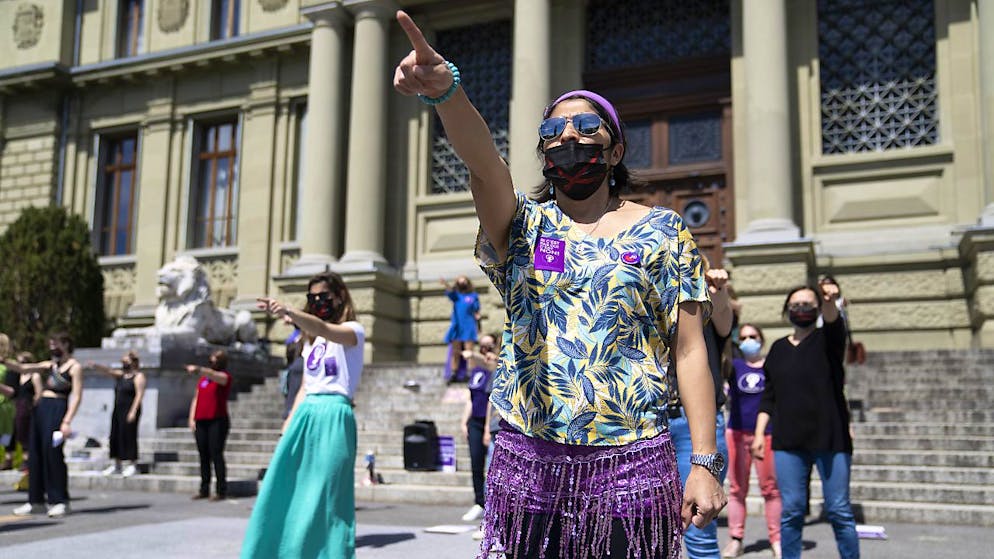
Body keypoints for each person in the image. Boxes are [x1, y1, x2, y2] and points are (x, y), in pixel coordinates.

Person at [393, 12, 725, 559]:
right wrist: (447, 92)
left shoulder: (664, 231)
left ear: (615, 151)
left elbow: (690, 351)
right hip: (530, 464)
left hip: (633, 467)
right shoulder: (523, 226)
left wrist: (705, 461)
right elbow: (485, 166)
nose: (568, 136)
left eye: (586, 127)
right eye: (553, 132)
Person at [242, 271, 365, 559]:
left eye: (324, 296)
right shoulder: (310, 342)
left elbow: (323, 327)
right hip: (306, 413)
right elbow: (306, 386)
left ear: (340, 297)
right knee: (285, 486)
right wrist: (288, 425)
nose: (319, 301)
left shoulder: (353, 330)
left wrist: (289, 312)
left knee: (328, 493)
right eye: (313, 297)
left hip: (334, 414)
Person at [752, 284, 859, 559]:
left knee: (839, 510)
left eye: (808, 305)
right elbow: (769, 396)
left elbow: (834, 322)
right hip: (789, 440)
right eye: (796, 305)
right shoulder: (777, 349)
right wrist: (759, 434)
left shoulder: (828, 340)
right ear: (787, 310)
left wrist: (830, 301)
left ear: (818, 309)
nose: (801, 309)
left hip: (831, 437)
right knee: (792, 510)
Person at [669, 265, 734, 559]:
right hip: (649, 419)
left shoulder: (707, 307)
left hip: (692, 424)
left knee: (698, 529)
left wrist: (717, 291)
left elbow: (724, 321)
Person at [7, 332, 84, 518]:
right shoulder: (50, 365)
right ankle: (36, 501)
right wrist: (4, 360)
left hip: (58, 408)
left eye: (55, 344)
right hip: (41, 408)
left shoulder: (75, 367)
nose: (52, 348)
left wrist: (67, 421)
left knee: (52, 453)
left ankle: (60, 500)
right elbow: (22, 368)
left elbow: (77, 395)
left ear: (66, 344)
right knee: (35, 454)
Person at [722, 323, 781, 559]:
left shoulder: (771, 366)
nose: (748, 341)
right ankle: (736, 539)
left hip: (766, 434)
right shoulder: (734, 366)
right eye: (744, 337)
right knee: (737, 489)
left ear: (761, 339)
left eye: (753, 336)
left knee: (771, 489)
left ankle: (777, 540)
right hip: (736, 433)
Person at [459, 332, 498, 523]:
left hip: (490, 422)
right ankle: (479, 502)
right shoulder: (476, 371)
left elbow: (490, 363)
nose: (485, 350)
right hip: (475, 420)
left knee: (492, 466)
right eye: (481, 346)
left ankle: (492, 504)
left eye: (489, 346)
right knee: (476, 463)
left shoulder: (495, 366)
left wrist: (475, 354)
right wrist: (463, 422)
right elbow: (470, 398)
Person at [88, 351, 146, 477]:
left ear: (133, 362)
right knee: (115, 435)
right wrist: (96, 366)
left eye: (126, 361)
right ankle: (117, 464)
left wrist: (133, 411)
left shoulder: (138, 376)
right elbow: (109, 371)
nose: (124, 364)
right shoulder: (121, 375)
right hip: (118, 409)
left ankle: (132, 464)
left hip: (130, 409)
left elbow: (139, 395)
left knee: (129, 435)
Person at [186, 350, 232, 501]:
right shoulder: (203, 380)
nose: (212, 361)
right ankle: (204, 488)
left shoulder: (224, 377)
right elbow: (196, 397)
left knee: (216, 453)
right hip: (201, 419)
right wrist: (192, 417)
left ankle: (220, 490)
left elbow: (215, 376)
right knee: (203, 454)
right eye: (211, 359)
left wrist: (199, 369)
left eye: (216, 359)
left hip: (217, 420)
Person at [441, 275, 481, 381]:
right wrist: (446, 284)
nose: (462, 283)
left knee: (469, 351)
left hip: (469, 325)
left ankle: (470, 373)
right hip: (457, 326)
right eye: (460, 281)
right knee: (456, 351)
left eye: (464, 281)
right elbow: (450, 292)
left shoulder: (473, 296)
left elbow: (477, 309)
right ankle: (454, 373)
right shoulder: (456, 296)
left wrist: (478, 322)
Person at [11, 351, 39, 491]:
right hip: (19, 407)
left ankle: (29, 464)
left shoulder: (34, 375)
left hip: (28, 408)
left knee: (29, 438)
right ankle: (25, 462)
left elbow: (38, 393)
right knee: (21, 436)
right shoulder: (18, 376)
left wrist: (34, 407)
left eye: (23, 362)